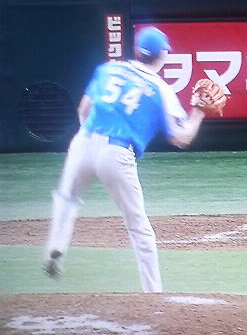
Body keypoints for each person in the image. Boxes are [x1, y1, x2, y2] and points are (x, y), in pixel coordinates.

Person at [43, 26, 208, 293]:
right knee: (138, 226)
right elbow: (181, 138)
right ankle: (153, 294)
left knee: (67, 197)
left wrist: (91, 140)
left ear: (138, 52)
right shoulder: (160, 89)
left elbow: (83, 110)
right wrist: (198, 112)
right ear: (162, 54)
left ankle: (55, 248)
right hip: (116, 152)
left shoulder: (109, 69)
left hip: (83, 141)